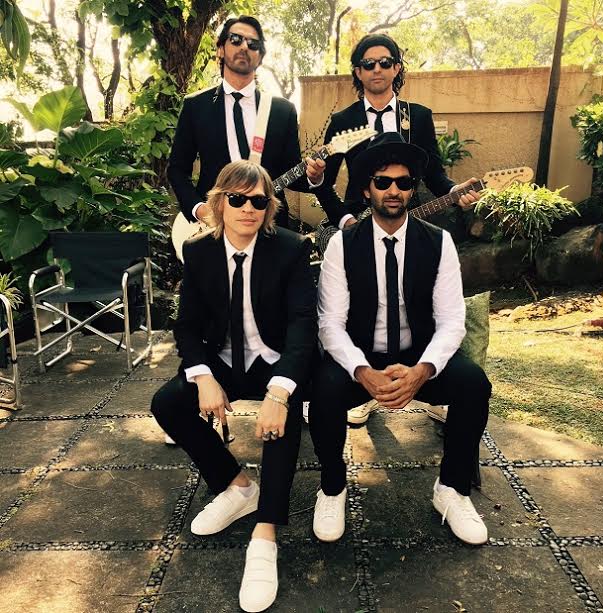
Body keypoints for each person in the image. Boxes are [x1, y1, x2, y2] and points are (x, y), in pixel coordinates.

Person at [309, 132, 491, 547]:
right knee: (323, 389)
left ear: (413, 189)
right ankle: (332, 488)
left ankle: (452, 489)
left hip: (418, 356)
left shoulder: (439, 242)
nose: (393, 190)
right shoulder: (342, 245)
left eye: (404, 182)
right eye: (383, 182)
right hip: (362, 357)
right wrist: (362, 372)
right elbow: (330, 323)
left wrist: (422, 371)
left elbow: (452, 320)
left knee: (473, 384)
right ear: (366, 189)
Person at [151, 160, 317, 612]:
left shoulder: (290, 249)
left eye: (258, 201)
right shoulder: (199, 251)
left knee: (281, 416)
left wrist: (279, 392)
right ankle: (239, 486)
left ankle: (266, 533)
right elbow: (187, 327)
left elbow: (303, 325)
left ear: (268, 208)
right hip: (223, 359)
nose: (248, 208)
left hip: (274, 359)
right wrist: (203, 376)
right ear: (219, 203)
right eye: (237, 199)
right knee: (168, 403)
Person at [313, 32, 480, 425]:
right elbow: (324, 183)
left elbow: (433, 173)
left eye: (385, 62)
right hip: (358, 223)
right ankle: (366, 386)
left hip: (405, 217)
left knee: (415, 296)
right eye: (368, 64)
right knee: (361, 303)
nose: (377, 69)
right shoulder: (343, 121)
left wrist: (453, 191)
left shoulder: (415, 116)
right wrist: (344, 220)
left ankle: (425, 379)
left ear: (397, 68)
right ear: (358, 72)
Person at [168, 15, 325, 229]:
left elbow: (292, 173)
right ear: (220, 49)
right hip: (214, 227)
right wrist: (199, 209)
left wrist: (314, 177)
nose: (244, 46)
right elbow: (177, 169)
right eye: (236, 39)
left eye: (253, 44)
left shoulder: (282, 111)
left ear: (260, 57)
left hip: (269, 226)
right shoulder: (196, 106)